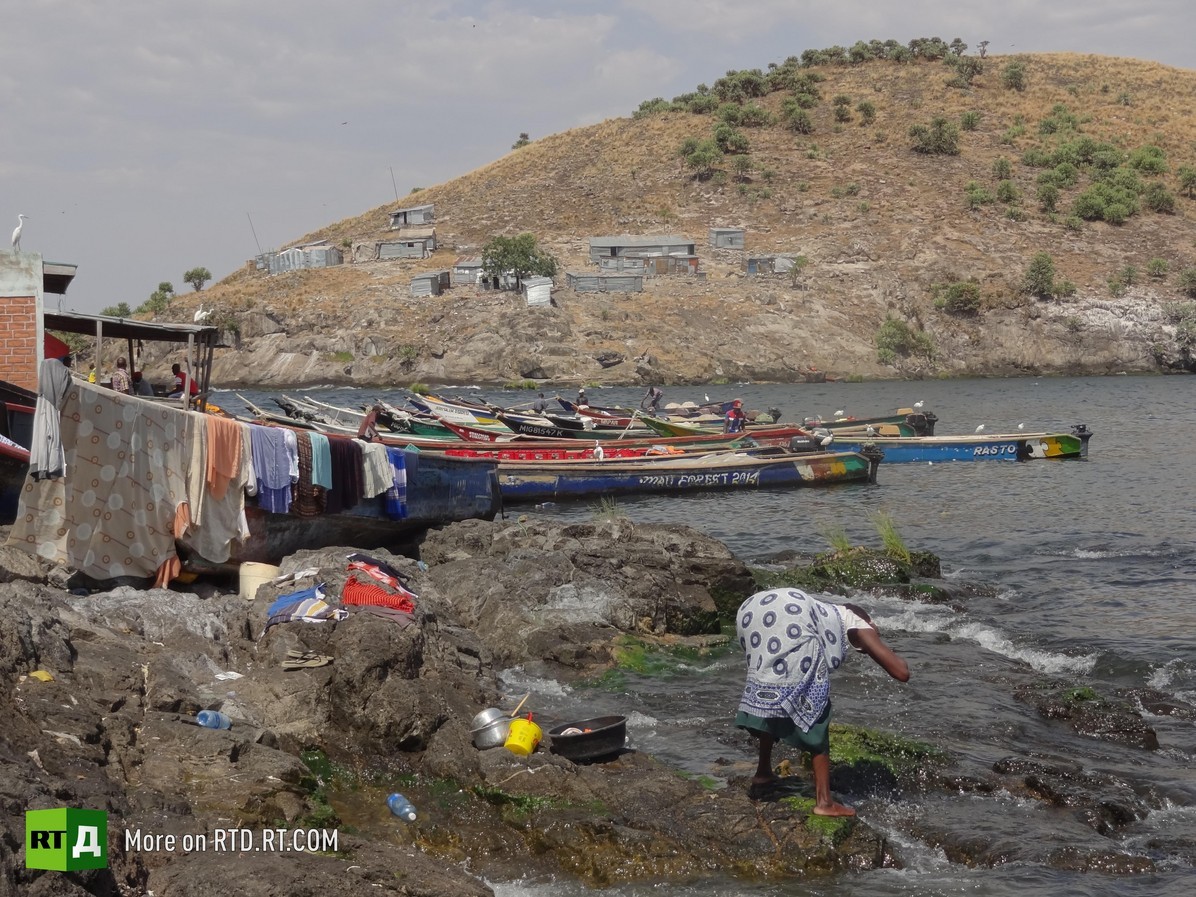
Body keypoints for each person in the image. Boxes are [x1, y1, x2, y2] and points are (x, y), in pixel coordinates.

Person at [734, 588, 910, 816]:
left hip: (755, 609)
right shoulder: (858, 621)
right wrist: (887, 648)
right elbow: (901, 673)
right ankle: (825, 802)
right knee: (816, 707)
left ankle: (763, 773)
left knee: (772, 686)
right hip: (785, 612)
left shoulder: (824, 612)